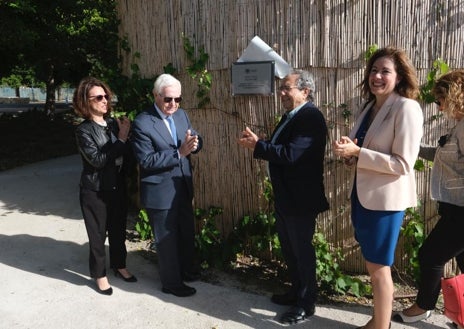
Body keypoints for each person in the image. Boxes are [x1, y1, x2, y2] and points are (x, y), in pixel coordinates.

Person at [332, 46, 423, 329]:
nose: (377, 76)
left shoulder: (407, 108)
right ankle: (378, 320)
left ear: (399, 77)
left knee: (380, 270)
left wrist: (358, 154)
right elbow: (364, 153)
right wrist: (350, 154)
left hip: (385, 203)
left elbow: (403, 164)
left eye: (385, 71)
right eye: (373, 70)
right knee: (373, 267)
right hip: (363, 197)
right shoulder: (368, 108)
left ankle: (381, 327)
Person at [237, 69, 329, 325]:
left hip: (300, 199)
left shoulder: (310, 117)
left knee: (302, 251)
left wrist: (259, 146)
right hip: (286, 197)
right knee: (290, 250)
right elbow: (284, 148)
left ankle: (306, 302)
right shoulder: (292, 116)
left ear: (305, 91)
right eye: (282, 89)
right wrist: (263, 142)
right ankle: (296, 291)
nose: (282, 93)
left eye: (287, 88)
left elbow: (291, 154)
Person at [394, 70, 464, 325]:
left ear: (454, 96)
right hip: (456, 207)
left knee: (431, 256)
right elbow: (446, 156)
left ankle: (423, 307)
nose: (439, 105)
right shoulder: (461, 126)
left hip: (461, 210)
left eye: (440, 99)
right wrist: (412, 148)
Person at [131, 73, 202, 297]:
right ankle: (171, 283)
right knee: (166, 239)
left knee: (185, 233)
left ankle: (187, 271)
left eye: (177, 99)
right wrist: (180, 152)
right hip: (160, 191)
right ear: (156, 95)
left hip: (181, 186)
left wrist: (196, 144)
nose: (173, 104)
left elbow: (193, 138)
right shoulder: (143, 122)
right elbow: (146, 160)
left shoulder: (181, 115)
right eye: (168, 99)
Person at [74, 77, 137, 296]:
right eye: (98, 97)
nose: (104, 101)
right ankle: (100, 275)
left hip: (117, 186)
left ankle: (119, 266)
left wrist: (126, 139)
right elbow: (98, 160)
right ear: (85, 101)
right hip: (95, 190)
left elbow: (125, 155)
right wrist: (120, 140)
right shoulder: (83, 131)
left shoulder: (113, 123)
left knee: (118, 229)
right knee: (98, 235)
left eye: (106, 96)